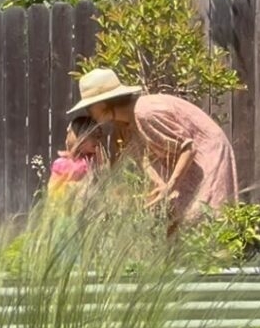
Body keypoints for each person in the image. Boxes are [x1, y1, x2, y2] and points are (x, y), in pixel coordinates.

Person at [67, 68, 238, 231]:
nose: (89, 112)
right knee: (175, 222)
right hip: (192, 159)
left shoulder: (144, 113)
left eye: (90, 107)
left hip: (208, 153)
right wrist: (158, 186)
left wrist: (169, 187)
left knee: (204, 217)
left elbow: (188, 148)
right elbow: (142, 157)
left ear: (102, 104)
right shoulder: (127, 122)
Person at [47, 116, 103, 201]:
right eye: (92, 135)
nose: (97, 140)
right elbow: (53, 192)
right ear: (80, 138)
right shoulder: (63, 164)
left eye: (98, 136)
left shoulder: (95, 158)